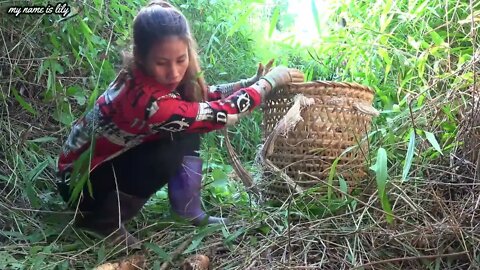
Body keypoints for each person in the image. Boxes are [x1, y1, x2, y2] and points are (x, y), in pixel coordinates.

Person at [55, 0, 304, 248]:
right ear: (141, 57)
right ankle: (102, 221)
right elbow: (221, 112)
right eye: (162, 63)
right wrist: (269, 83)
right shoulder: (146, 100)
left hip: (97, 170)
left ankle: (188, 211)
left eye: (181, 59)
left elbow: (203, 98)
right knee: (173, 144)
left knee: (188, 124)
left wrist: (248, 83)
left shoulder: (147, 78)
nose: (174, 72)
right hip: (81, 187)